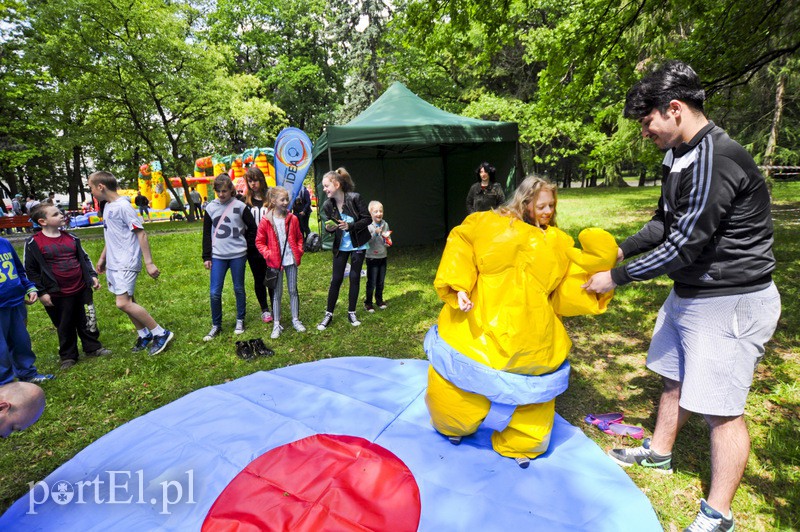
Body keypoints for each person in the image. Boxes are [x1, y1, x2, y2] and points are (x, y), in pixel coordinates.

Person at [582, 61, 781, 532]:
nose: (644, 132)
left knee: (721, 411)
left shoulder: (717, 159)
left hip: (730, 300)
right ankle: (659, 453)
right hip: (690, 293)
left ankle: (718, 514)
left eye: (647, 120)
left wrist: (617, 277)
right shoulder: (679, 153)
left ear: (674, 109)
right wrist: (621, 248)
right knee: (673, 378)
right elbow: (663, 221)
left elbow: (682, 245)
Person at [425, 176, 617, 468]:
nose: (548, 211)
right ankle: (455, 422)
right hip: (478, 325)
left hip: (533, 336)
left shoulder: (558, 243)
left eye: (552, 205)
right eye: (542, 205)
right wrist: (459, 285)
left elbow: (562, 293)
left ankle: (523, 441)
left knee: (532, 413)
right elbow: (462, 244)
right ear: (525, 201)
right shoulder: (487, 224)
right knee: (455, 400)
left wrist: (595, 279)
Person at [88, 171, 174, 356]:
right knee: (129, 300)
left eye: (91, 187)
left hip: (126, 261)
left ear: (101, 186)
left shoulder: (123, 207)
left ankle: (160, 333)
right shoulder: (109, 207)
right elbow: (111, 236)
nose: (91, 191)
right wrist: (103, 258)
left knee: (123, 303)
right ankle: (143, 334)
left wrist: (149, 263)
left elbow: (141, 233)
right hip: (115, 262)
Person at [24, 204, 110, 371]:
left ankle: (93, 347)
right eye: (56, 214)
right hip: (57, 293)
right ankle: (68, 355)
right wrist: (41, 292)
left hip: (81, 288)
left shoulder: (72, 238)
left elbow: (84, 258)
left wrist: (91, 276)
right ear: (42, 221)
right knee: (64, 324)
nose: (62, 215)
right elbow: (30, 270)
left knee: (87, 319)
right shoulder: (34, 243)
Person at [201, 174, 256, 341]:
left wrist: (245, 245)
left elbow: (253, 228)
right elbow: (206, 234)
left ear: (231, 189)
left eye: (224, 191)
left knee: (238, 288)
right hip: (218, 256)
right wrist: (206, 256)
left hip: (238, 255)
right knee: (214, 292)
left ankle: (240, 320)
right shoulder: (210, 208)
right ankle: (216, 325)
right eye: (218, 191)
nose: (221, 194)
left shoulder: (240, 206)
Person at [317, 168, 371, 330]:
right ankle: (328, 314)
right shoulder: (328, 205)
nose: (324, 189)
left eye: (327, 186)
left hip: (358, 244)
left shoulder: (355, 198)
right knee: (336, 279)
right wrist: (330, 229)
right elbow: (330, 227)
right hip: (341, 246)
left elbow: (367, 219)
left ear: (337, 184)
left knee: (354, 278)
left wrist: (351, 225)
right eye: (324, 187)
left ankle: (351, 312)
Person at [0, 236, 54, 384]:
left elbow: (18, 270)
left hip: (16, 303)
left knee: (21, 342)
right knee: (1, 348)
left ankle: (28, 374)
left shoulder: (4, 243)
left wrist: (28, 287)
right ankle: (5, 383)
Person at [255, 186, 305, 339]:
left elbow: (299, 238)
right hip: (275, 263)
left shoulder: (293, 219)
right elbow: (259, 242)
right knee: (276, 293)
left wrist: (299, 250)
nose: (285, 202)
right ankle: (277, 323)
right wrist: (268, 254)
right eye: (282, 200)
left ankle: (295, 319)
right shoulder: (266, 221)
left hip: (291, 260)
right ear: (273, 201)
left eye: (286, 199)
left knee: (293, 290)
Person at [240, 166, 274, 324]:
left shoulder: (271, 198)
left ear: (262, 180)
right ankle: (264, 309)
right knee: (259, 278)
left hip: (271, 245)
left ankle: (275, 306)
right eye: (250, 181)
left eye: (256, 180)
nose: (253, 184)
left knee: (272, 277)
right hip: (252, 247)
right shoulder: (244, 201)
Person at [364, 200, 391, 313]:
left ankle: (379, 300)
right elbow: (366, 241)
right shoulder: (368, 226)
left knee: (381, 281)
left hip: (383, 256)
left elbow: (388, 239)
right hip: (371, 257)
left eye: (381, 211)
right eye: (376, 211)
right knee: (372, 282)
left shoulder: (385, 224)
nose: (379, 213)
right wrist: (374, 233)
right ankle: (368, 303)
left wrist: (387, 241)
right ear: (370, 213)